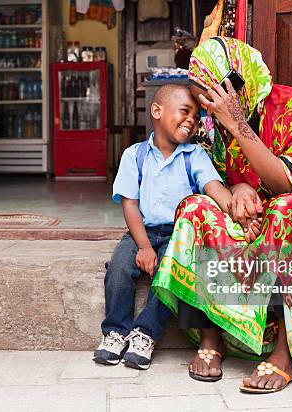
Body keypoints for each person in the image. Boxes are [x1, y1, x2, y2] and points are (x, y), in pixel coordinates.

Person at [152, 37, 292, 392]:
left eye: (211, 97)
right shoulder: (214, 125)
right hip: (247, 216)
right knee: (194, 207)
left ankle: (288, 353)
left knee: (287, 211)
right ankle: (211, 339)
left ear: (238, 85)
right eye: (201, 99)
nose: (206, 109)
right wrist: (239, 190)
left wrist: (238, 122)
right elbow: (218, 179)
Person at [93, 83, 231, 370]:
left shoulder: (194, 155)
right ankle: (115, 332)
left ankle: (145, 333)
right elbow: (130, 204)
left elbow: (214, 187)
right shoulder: (135, 155)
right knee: (119, 268)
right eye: (184, 111)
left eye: (195, 116)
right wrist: (143, 246)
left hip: (180, 236)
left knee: (170, 273)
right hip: (140, 231)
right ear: (157, 111)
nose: (191, 120)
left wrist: (236, 206)